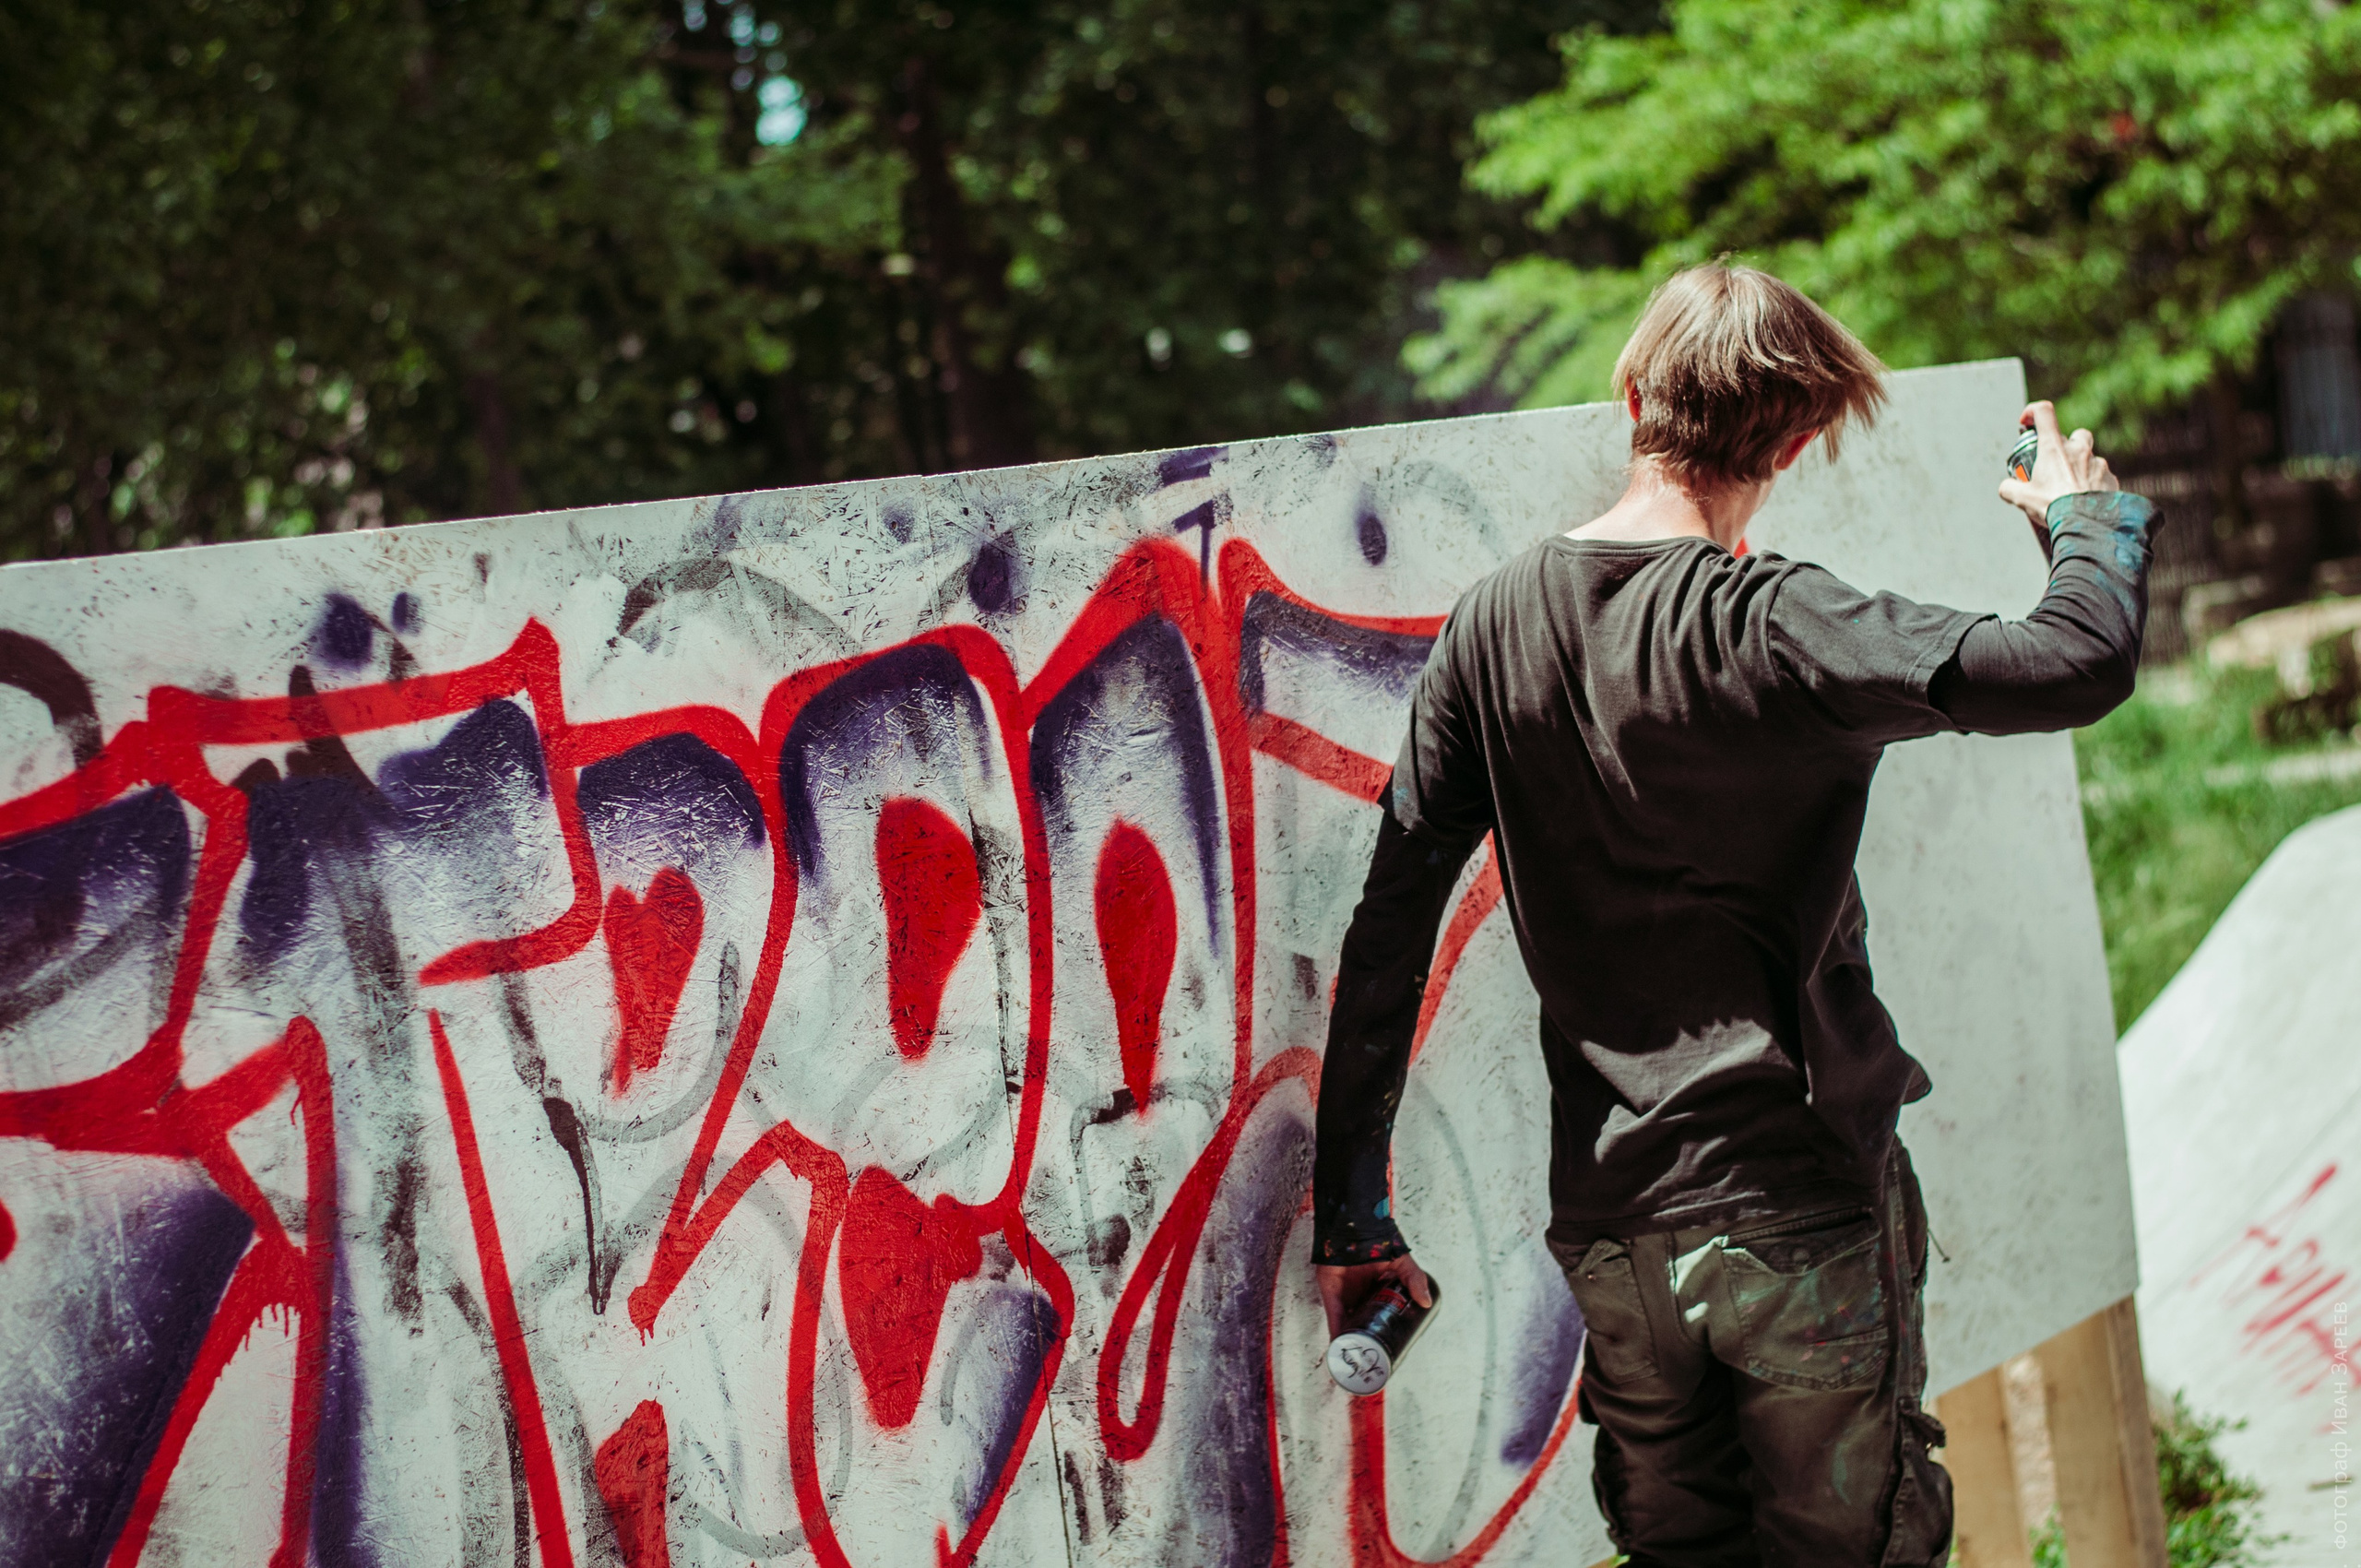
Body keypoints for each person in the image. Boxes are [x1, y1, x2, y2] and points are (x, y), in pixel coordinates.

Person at [1309, 262, 2158, 1567]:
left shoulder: (1490, 628)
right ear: (1799, 440)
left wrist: (1354, 1216)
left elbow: (1388, 934)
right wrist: (2084, 518)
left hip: (1616, 1231)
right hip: (1797, 1202)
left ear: (1631, 395)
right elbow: (2075, 659)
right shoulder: (1782, 625)